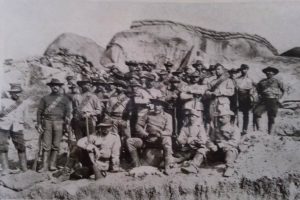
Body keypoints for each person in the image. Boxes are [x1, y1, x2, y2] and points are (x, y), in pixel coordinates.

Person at [126, 99, 173, 174]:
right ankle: (136, 165)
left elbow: (169, 131)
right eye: (154, 105)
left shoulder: (167, 116)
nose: (156, 107)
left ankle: (167, 167)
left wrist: (160, 133)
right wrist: (145, 134)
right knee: (130, 141)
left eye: (158, 105)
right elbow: (138, 125)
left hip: (159, 141)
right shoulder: (148, 114)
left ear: (162, 106)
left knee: (167, 139)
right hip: (147, 139)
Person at [36, 79, 72, 172]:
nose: (55, 87)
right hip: (47, 121)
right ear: (50, 87)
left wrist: (67, 122)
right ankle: (44, 165)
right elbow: (39, 112)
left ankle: (52, 165)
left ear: (60, 87)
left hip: (59, 122)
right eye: (53, 85)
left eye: (57, 85)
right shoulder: (45, 98)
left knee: (56, 144)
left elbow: (68, 112)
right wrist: (39, 123)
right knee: (46, 144)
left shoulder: (65, 99)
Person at [0, 84, 30, 175]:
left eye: (19, 93)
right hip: (3, 126)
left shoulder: (24, 103)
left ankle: (23, 168)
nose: (17, 95)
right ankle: (5, 168)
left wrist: (28, 124)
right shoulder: (3, 101)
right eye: (15, 92)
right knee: (2, 147)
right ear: (11, 93)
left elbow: (26, 117)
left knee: (21, 146)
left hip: (17, 127)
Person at [208, 108, 241, 177]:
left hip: (228, 151)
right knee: (203, 150)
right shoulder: (216, 129)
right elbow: (210, 140)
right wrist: (212, 146)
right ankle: (194, 165)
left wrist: (221, 144)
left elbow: (235, 142)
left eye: (222, 118)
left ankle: (229, 167)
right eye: (219, 118)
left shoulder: (234, 129)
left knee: (231, 150)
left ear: (228, 118)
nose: (220, 119)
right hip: (217, 151)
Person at [253, 66, 284, 135]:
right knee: (256, 113)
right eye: (267, 71)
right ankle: (259, 131)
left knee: (271, 117)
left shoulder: (278, 81)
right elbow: (257, 91)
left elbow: (283, 91)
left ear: (274, 73)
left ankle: (270, 133)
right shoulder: (261, 82)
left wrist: (281, 99)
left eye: (270, 71)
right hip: (263, 101)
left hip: (273, 100)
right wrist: (258, 97)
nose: (268, 72)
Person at [204, 63, 235, 132]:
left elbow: (231, 92)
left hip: (223, 102)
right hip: (213, 102)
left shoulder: (228, 80)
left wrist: (220, 92)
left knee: (224, 119)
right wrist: (211, 94)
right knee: (213, 119)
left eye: (218, 69)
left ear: (223, 70)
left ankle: (224, 135)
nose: (217, 71)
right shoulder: (212, 82)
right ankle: (214, 136)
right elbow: (206, 91)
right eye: (215, 69)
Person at [234, 64, 256, 134]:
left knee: (246, 113)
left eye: (245, 69)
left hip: (247, 97)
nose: (244, 71)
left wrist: (252, 96)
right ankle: (237, 128)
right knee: (237, 113)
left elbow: (256, 87)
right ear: (241, 70)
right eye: (243, 69)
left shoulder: (250, 79)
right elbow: (235, 89)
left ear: (247, 70)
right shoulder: (237, 79)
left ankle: (245, 129)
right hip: (239, 96)